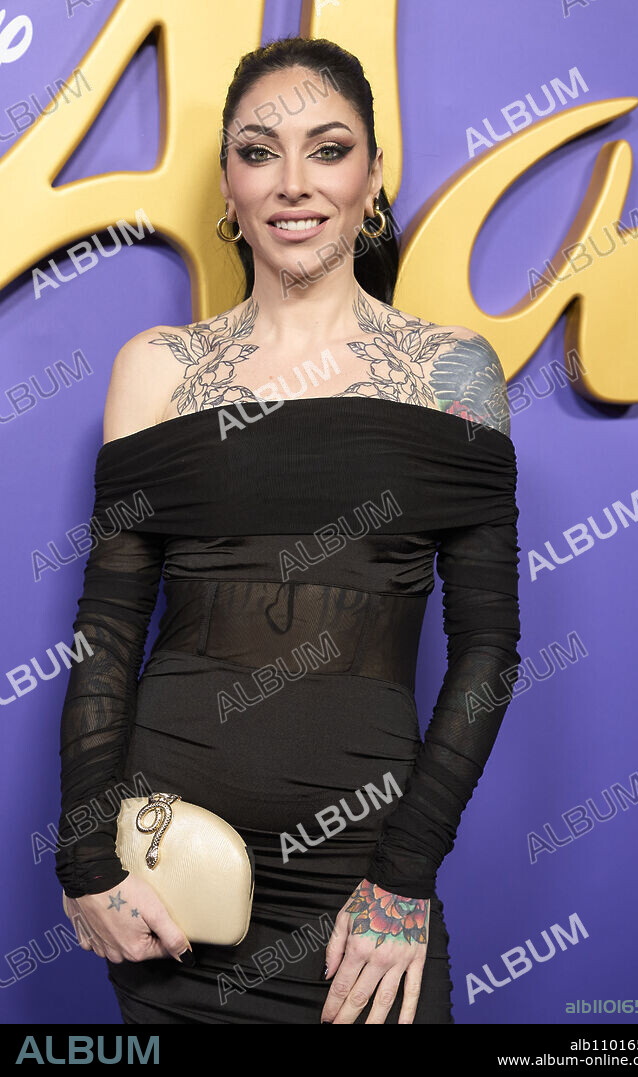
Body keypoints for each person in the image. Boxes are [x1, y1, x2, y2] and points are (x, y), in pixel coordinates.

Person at [55, 35, 521, 1025]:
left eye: (328, 147)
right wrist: (86, 859)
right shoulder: (158, 368)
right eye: (259, 152)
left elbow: (487, 648)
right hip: (173, 882)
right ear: (226, 185)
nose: (293, 183)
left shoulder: (453, 375)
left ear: (373, 177)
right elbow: (104, 639)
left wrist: (405, 877)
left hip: (364, 888)